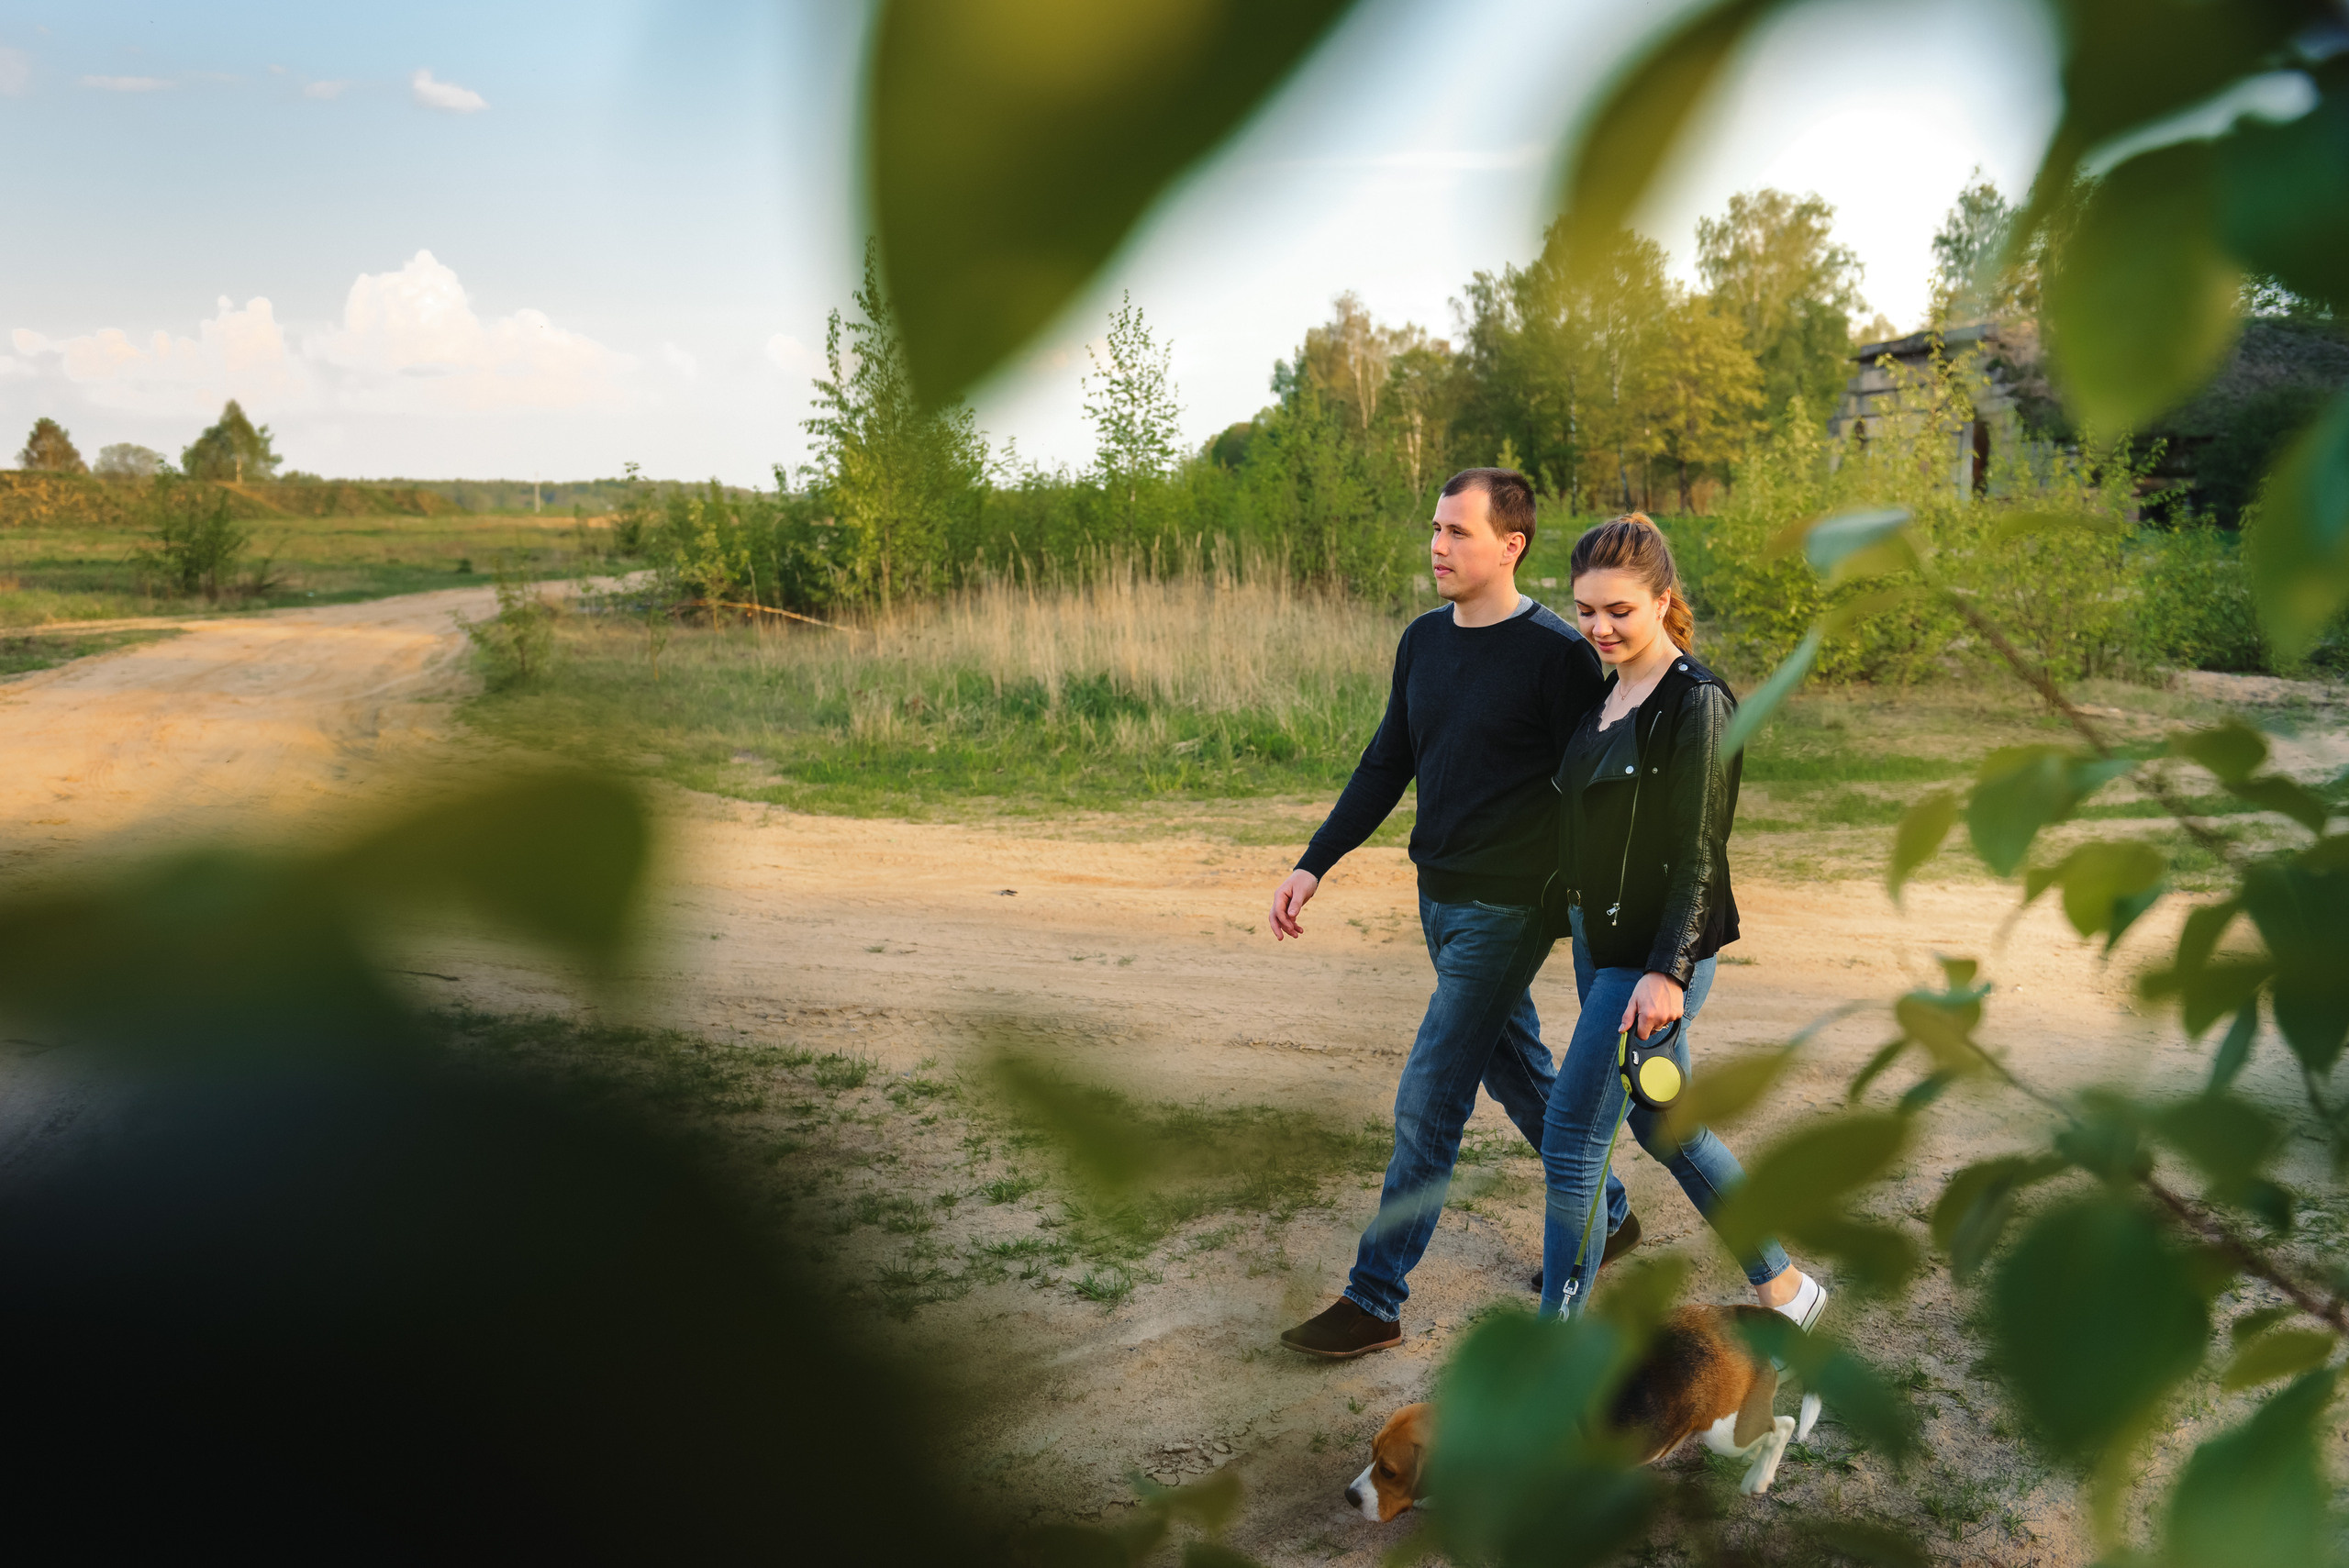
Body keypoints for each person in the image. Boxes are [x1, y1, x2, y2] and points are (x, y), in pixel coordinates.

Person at [1269, 468, 1609, 1360]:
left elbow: (1594, 795)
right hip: (1439, 898)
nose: (1438, 545)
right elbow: (1388, 762)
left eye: (1458, 531)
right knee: (1516, 1069)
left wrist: (1582, 910)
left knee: (1431, 1095)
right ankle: (1608, 1211)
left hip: (1508, 911)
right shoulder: (1422, 641)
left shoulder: (1557, 657)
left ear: (1511, 544)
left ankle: (1374, 1296)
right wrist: (1314, 861)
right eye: (1435, 528)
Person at [1536, 514, 1826, 1330]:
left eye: (1619, 610)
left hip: (1651, 957)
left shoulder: (1696, 701)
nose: (1599, 627)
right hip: (1600, 944)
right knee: (1667, 1124)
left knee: (1571, 1140)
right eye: (1586, 610)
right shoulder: (1606, 695)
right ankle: (1786, 1288)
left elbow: (1702, 846)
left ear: (1663, 601)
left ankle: (1551, 1353)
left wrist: (1669, 971)